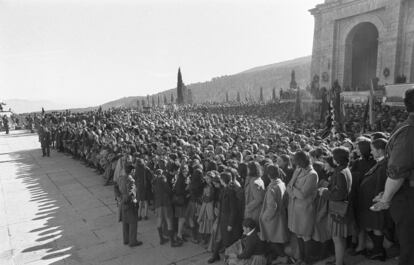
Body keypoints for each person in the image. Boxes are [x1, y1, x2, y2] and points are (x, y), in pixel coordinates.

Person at [371, 88, 414, 265]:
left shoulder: (408, 132)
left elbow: (397, 172)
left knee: (409, 249)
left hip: (408, 197)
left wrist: (385, 199)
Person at [320, 147, 353, 265]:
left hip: (338, 210)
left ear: (337, 159)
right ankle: (339, 260)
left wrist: (324, 192)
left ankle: (339, 263)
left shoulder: (340, 172)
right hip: (340, 209)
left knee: (337, 238)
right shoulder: (344, 169)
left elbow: (339, 195)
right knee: (339, 238)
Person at [358, 138, 388, 261]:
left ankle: (379, 252)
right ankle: (378, 250)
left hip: (375, 202)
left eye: (373, 150)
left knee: (376, 227)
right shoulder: (380, 162)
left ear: (380, 150)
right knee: (372, 226)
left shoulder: (384, 163)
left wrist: (377, 203)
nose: (371, 152)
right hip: (370, 201)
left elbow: (381, 184)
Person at [287, 151, 318, 265]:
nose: (295, 165)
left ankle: (308, 260)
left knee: (306, 236)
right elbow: (288, 186)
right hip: (295, 208)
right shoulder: (298, 170)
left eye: (296, 162)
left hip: (305, 209)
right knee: (298, 234)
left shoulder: (312, 174)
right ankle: (301, 258)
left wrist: (293, 189)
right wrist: (293, 189)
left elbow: (303, 194)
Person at [258, 165, 289, 263]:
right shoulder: (281, 183)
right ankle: (281, 256)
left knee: (272, 239)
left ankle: (283, 257)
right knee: (277, 239)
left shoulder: (272, 187)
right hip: (281, 215)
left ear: (268, 175)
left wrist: (264, 217)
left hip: (273, 219)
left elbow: (272, 207)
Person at [208, 172, 240, 263]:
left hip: (227, 220)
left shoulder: (230, 191)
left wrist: (230, 223)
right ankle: (215, 255)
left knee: (227, 242)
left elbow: (234, 210)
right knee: (218, 238)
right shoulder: (224, 189)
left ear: (223, 180)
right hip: (222, 218)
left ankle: (228, 260)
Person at [153, 169, 183, 247]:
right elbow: (168, 190)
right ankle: (172, 242)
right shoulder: (163, 178)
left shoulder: (154, 181)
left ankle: (161, 239)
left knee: (159, 220)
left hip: (158, 203)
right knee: (169, 221)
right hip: (166, 203)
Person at [114, 164, 142, 247]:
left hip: (122, 202)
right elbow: (132, 194)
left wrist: (119, 197)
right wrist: (135, 202)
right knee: (133, 222)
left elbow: (115, 187)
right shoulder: (131, 180)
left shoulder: (121, 178)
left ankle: (126, 239)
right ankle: (133, 241)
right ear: (132, 171)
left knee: (125, 222)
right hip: (129, 203)